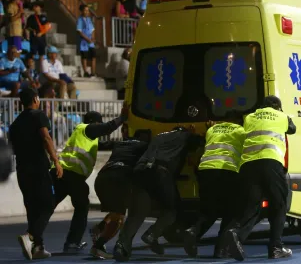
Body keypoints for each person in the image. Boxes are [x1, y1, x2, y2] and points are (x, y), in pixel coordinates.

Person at [113, 126, 205, 262]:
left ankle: (121, 246)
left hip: (140, 171)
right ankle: (151, 234)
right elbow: (200, 142)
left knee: (137, 213)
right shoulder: (184, 135)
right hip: (160, 172)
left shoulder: (159, 136)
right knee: (172, 211)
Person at [225, 95, 296, 261]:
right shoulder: (282, 116)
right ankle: (276, 247)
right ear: (277, 107)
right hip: (270, 162)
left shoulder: (249, 117)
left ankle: (236, 234)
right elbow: (292, 129)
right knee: (280, 204)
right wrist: (284, 115)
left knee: (253, 205)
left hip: (248, 165)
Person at [49, 107, 128, 253]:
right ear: (94, 122)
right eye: (99, 123)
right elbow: (107, 128)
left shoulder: (88, 137)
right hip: (72, 174)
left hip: (61, 173)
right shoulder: (86, 128)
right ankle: (72, 243)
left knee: (49, 205)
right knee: (82, 206)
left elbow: (108, 144)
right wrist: (122, 118)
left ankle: (33, 237)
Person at [8, 87, 62, 260]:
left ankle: (38, 248)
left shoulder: (15, 124)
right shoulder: (38, 115)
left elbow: (13, 149)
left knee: (32, 208)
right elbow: (46, 138)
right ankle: (30, 236)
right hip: (38, 167)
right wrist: (56, 160)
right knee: (48, 203)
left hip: (22, 170)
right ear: (36, 99)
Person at [183, 111, 246, 258]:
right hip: (227, 171)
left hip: (205, 170)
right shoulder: (240, 131)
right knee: (230, 212)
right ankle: (220, 249)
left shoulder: (212, 129)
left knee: (209, 211)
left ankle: (193, 231)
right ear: (238, 121)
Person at [89, 129, 151, 259]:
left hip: (102, 177)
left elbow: (104, 143)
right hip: (119, 177)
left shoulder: (120, 144)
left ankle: (99, 228)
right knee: (119, 218)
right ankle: (98, 246)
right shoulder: (145, 145)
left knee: (116, 210)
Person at [77, 4, 96, 77]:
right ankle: (85, 72)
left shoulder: (89, 19)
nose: (87, 12)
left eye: (88, 10)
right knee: (84, 57)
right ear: (81, 11)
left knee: (93, 56)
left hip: (90, 42)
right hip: (84, 42)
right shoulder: (80, 20)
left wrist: (92, 38)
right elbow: (79, 32)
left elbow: (92, 30)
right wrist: (87, 39)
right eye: (85, 10)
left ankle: (93, 72)